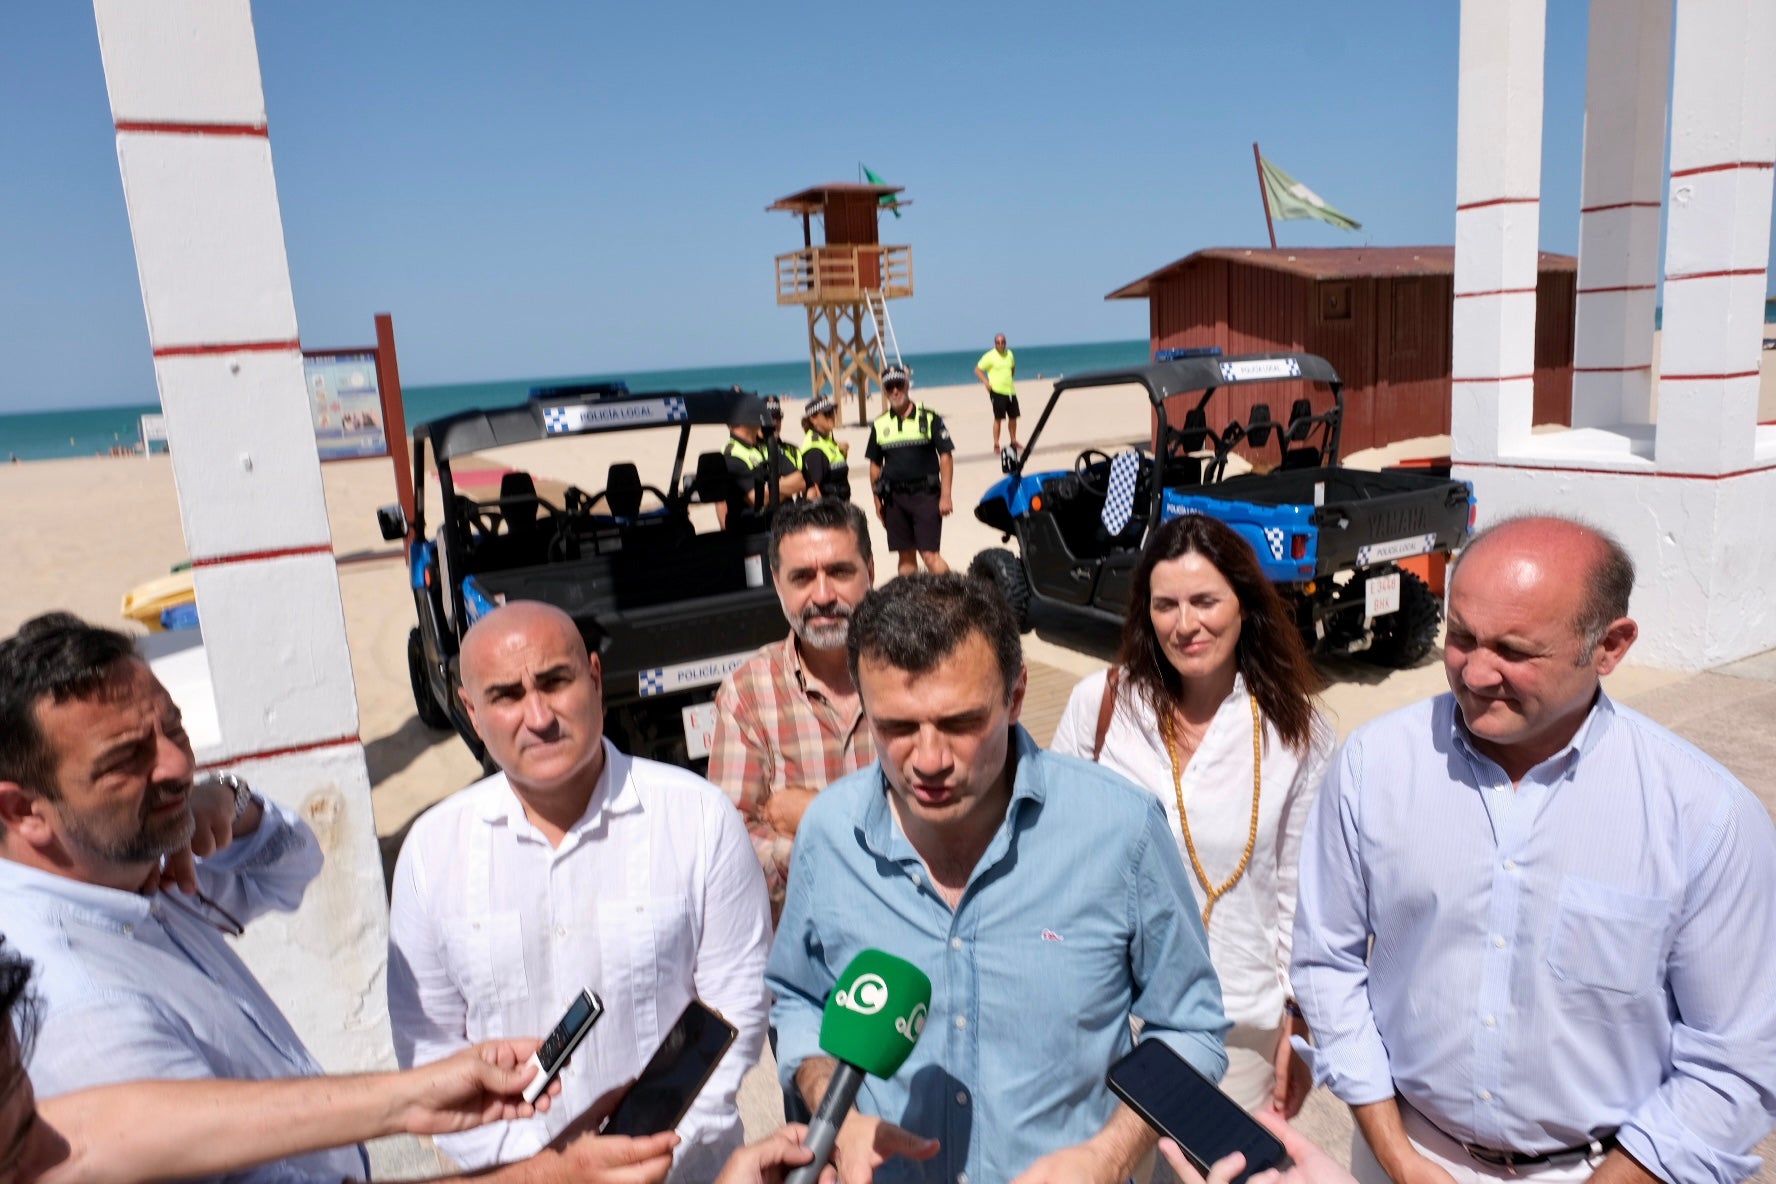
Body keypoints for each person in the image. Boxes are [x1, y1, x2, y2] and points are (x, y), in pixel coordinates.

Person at [1292, 515, 1776, 1184]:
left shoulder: (1708, 820)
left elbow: (1736, 1059)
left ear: (1609, 646)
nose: (1476, 672)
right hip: (1404, 1156)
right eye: (1461, 637)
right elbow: (1327, 964)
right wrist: (1397, 1157)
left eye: (1515, 651)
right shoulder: (1375, 765)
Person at [767, 573, 1231, 1184]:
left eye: (961, 723)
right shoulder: (830, 834)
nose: (929, 760)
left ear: (1015, 699)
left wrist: (1107, 1157)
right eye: (897, 728)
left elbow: (1191, 1026)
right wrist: (839, 1109)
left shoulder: (1121, 831)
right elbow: (799, 1000)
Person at [386, 600, 772, 1184]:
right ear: (471, 709)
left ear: (594, 678)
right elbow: (429, 1047)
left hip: (685, 1169)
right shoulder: (433, 850)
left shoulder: (697, 817)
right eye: (506, 696)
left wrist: (642, 1148)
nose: (537, 716)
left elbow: (735, 1006)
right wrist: (541, 1170)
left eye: (554, 682)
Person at [0, 612, 363, 1184]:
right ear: (23, 811)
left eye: (175, 730)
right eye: (126, 758)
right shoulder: (80, 1006)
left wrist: (228, 800)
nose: (174, 765)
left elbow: (291, 865)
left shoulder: (125, 863)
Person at [1, 936, 836, 1184]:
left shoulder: (55, 1136)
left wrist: (406, 1102)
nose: (50, 1135)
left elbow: (95, 1133)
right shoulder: (83, 1007)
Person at [1051, 515, 1333, 1117]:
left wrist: (1300, 1024)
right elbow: (1053, 850)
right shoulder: (1100, 706)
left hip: (1238, 1030)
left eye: (1205, 601)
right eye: (1166, 605)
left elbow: (1301, 893)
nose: (1185, 625)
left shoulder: (1298, 733)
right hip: (1107, 1020)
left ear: (1244, 604)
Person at [709, 498, 877, 919]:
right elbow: (732, 845)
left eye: (840, 572)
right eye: (802, 577)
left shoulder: (921, 671)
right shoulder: (747, 693)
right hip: (811, 951)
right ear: (778, 584)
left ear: (870, 572)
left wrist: (813, 818)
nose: (822, 595)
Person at [865, 364, 954, 577]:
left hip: (926, 496)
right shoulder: (879, 425)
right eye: (889, 386)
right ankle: (909, 607)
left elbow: (946, 456)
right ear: (885, 391)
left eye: (899, 384)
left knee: (930, 555)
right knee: (905, 556)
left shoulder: (930, 417)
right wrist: (878, 502)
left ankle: (956, 600)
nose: (895, 390)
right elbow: (875, 467)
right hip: (895, 500)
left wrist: (946, 495)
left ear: (906, 385)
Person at [724, 394, 806, 518]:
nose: (770, 421)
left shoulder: (769, 446)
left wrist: (769, 486)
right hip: (756, 529)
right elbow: (759, 499)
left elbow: (800, 481)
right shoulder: (732, 455)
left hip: (785, 521)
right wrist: (783, 484)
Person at [797, 395, 852, 501]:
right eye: (827, 413)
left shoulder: (827, 440)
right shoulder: (815, 447)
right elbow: (814, 490)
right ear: (813, 419)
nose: (832, 416)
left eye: (833, 411)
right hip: (829, 512)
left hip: (840, 507)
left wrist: (844, 453)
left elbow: (835, 474)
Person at [973, 333, 1019, 462]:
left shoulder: (1010, 354)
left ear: (1006, 342)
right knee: (998, 418)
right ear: (995, 343)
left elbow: (1013, 368)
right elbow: (977, 369)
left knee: (1013, 417)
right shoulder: (990, 356)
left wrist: (1008, 378)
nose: (1001, 344)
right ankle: (996, 444)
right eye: (998, 342)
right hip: (997, 391)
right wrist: (986, 382)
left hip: (1010, 390)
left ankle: (1013, 440)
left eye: (1003, 342)